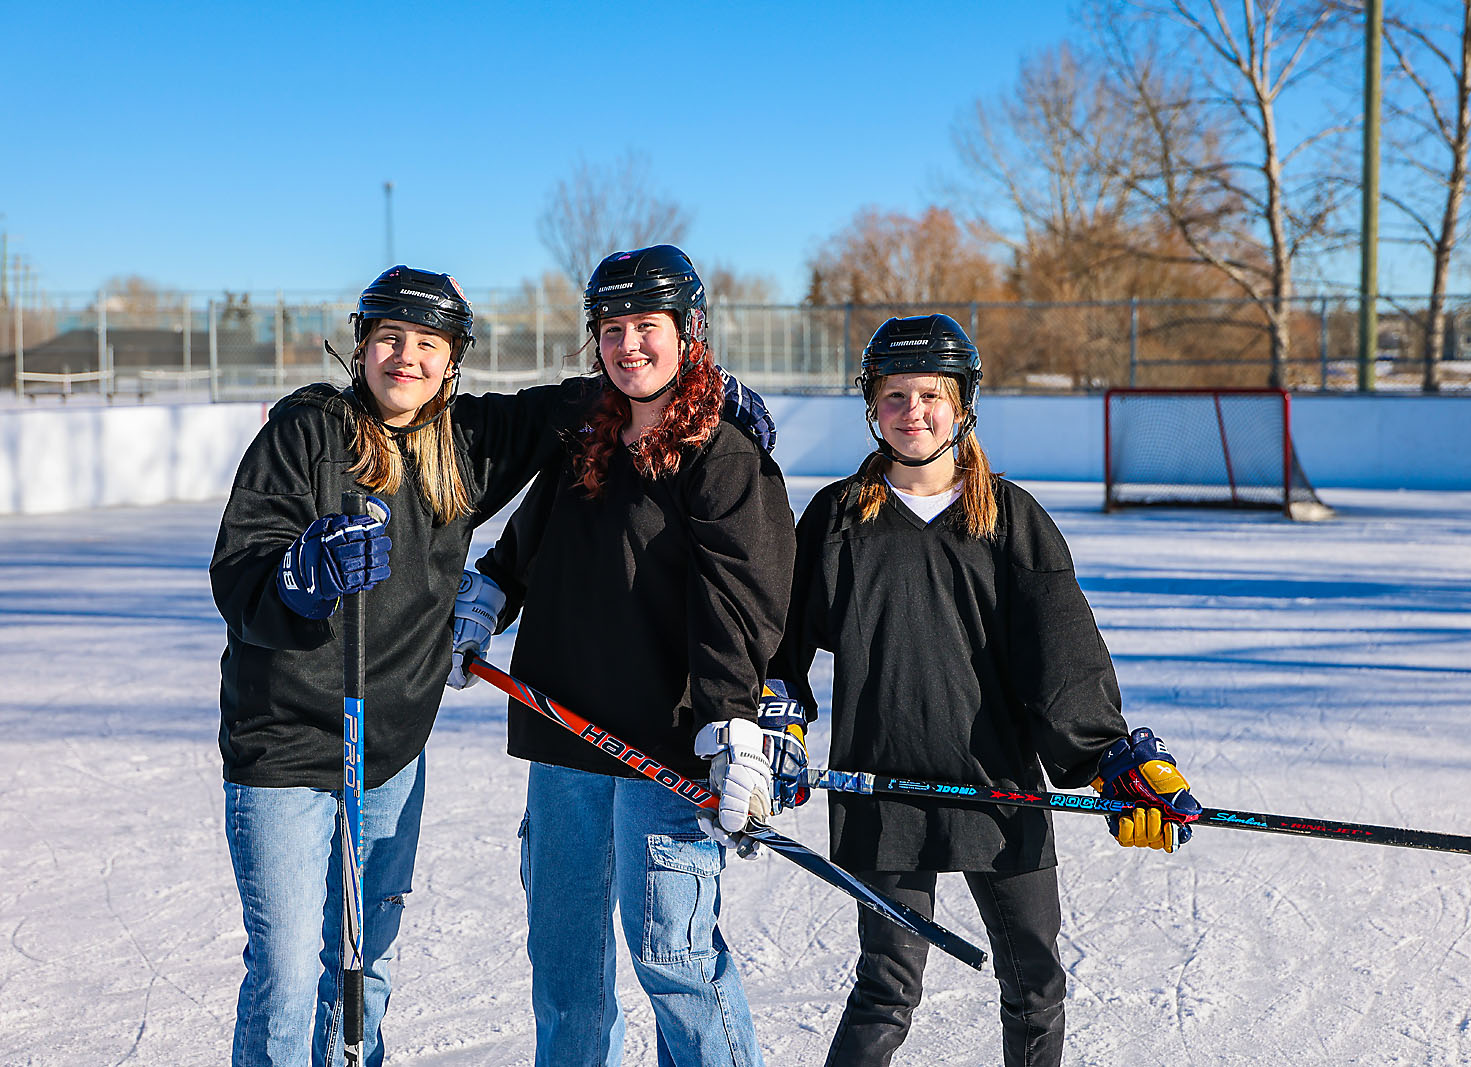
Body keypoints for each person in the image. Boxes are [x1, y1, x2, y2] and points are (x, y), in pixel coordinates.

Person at [210, 262, 777, 1066]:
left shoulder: (475, 440)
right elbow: (241, 571)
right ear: (361, 346)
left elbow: (734, 590)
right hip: (304, 743)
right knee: (299, 970)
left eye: (427, 344)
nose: (406, 358)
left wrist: (706, 390)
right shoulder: (311, 433)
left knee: (373, 964)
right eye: (390, 338)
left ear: (453, 359)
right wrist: (305, 577)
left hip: (425, 750)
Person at [767, 314, 1202, 1067]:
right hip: (882, 790)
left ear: (963, 404)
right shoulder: (837, 517)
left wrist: (1111, 758)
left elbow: (1062, 659)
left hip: (1000, 790)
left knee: (1035, 983)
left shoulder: (1012, 518)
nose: (912, 412)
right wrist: (775, 722)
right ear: (871, 405)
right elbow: (781, 643)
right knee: (886, 987)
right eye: (895, 395)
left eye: (930, 395)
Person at [449, 245, 795, 1067]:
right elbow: (529, 544)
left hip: (662, 750)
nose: (628, 344)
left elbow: (740, 605)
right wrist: (485, 600)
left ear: (688, 329)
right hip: (563, 737)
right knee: (565, 967)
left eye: (647, 326)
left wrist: (734, 728)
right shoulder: (586, 440)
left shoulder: (723, 454)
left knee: (676, 963)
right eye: (612, 328)